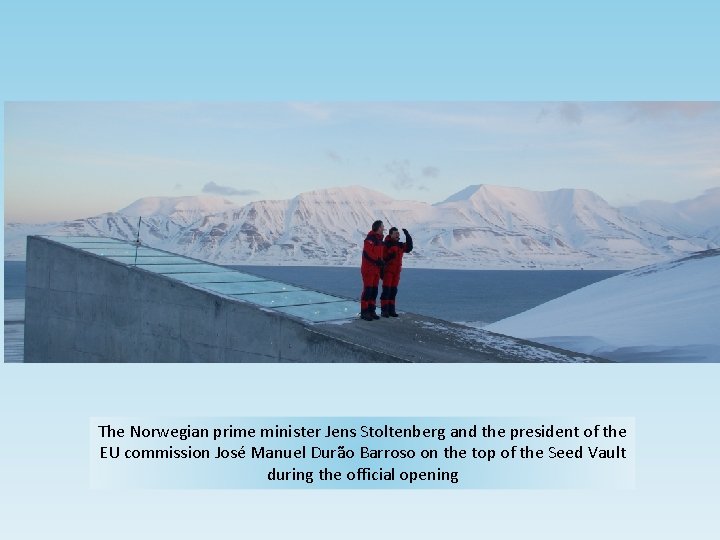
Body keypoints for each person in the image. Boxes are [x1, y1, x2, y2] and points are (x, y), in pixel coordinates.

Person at [380, 227, 413, 317]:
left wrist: (407, 235)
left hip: (396, 272)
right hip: (388, 271)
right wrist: (390, 256)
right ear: (390, 234)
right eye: (395, 233)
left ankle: (391, 310)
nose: (397, 234)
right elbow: (383, 257)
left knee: (393, 291)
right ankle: (384, 311)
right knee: (386, 291)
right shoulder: (386, 244)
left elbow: (409, 248)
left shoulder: (400, 245)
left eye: (398, 233)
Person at [359, 220, 385, 321]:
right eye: (382, 226)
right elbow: (367, 253)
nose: (383, 228)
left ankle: (371, 310)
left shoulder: (379, 241)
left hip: (376, 270)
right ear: (378, 228)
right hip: (368, 269)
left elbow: (380, 255)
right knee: (368, 290)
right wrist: (378, 261)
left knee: (374, 291)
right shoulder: (369, 239)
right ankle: (364, 312)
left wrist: (381, 266)